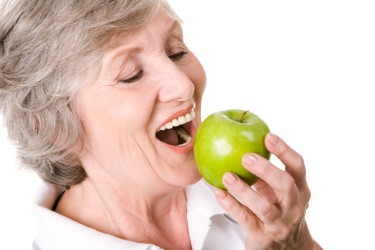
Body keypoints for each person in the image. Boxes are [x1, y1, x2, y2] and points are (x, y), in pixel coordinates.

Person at [0, 0, 323, 249]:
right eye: (131, 74)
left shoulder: (256, 212)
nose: (183, 84)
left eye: (176, 51)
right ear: (54, 127)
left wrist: (296, 243)